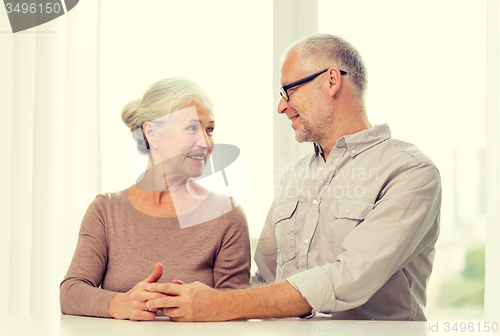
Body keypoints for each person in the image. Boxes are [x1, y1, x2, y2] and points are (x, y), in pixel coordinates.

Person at [145, 34, 442, 321]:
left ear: (331, 81)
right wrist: (180, 297)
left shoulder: (410, 171)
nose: (281, 106)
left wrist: (221, 304)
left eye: (289, 90)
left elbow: (348, 278)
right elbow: (265, 280)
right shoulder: (294, 176)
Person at [59, 78, 251, 320]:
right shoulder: (105, 211)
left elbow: (237, 309)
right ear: (152, 133)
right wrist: (120, 303)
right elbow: (71, 292)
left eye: (209, 129)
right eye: (192, 128)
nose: (206, 143)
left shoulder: (226, 215)